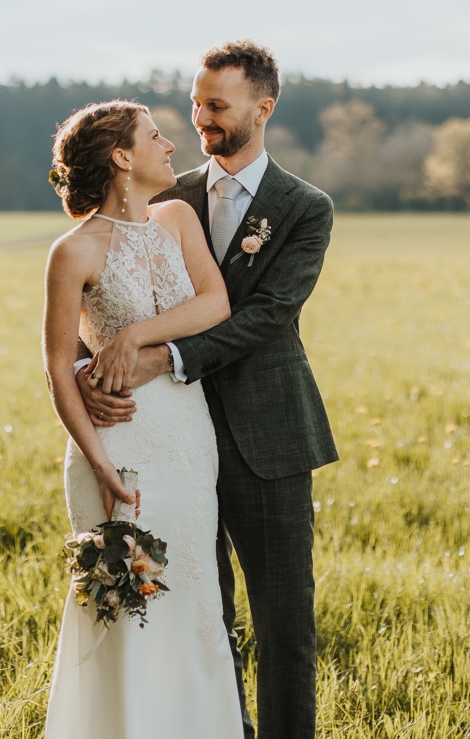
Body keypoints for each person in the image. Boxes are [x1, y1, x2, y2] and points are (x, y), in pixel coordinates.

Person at [74, 41, 338, 739]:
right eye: (195, 103)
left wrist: (166, 358)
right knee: (201, 614)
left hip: (269, 440)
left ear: (264, 107)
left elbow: (267, 314)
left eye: (217, 106)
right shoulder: (164, 194)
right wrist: (86, 372)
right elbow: (103, 290)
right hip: (173, 444)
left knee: (285, 626)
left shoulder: (305, 208)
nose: (200, 118)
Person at [40, 100, 244, 738]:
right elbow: (54, 364)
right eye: (156, 136)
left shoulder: (179, 218)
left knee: (190, 598)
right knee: (124, 605)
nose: (171, 146)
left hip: (187, 438)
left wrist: (135, 338)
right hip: (117, 449)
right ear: (122, 157)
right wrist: (99, 462)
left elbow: (216, 302)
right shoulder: (71, 252)